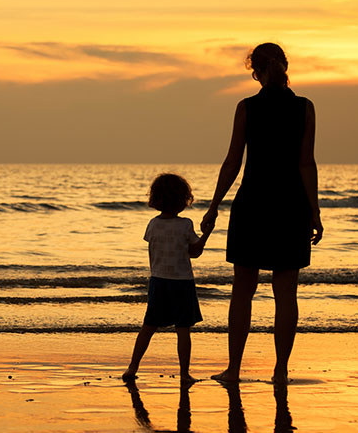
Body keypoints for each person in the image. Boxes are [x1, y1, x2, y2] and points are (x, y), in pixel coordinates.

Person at [201, 42, 323, 385]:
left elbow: (232, 162)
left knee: (243, 291)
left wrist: (214, 205)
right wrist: (314, 211)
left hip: (253, 205)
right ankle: (280, 370)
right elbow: (306, 163)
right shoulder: (305, 107)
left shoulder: (247, 107)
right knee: (286, 293)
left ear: (255, 71)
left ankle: (234, 369)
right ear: (284, 66)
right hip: (291, 206)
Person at [122, 173, 212, 385]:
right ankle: (184, 373)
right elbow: (195, 252)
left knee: (149, 326)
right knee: (183, 330)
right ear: (183, 200)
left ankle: (132, 366)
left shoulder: (152, 224)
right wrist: (207, 233)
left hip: (158, 281)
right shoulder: (185, 225)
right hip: (182, 282)